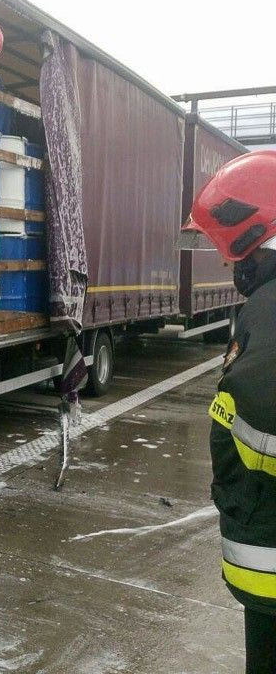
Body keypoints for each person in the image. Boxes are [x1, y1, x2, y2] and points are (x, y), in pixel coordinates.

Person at [180, 149, 276, 673]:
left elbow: (262, 417)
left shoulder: (272, 308)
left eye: (230, 249)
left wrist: (234, 477)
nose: (228, 261)